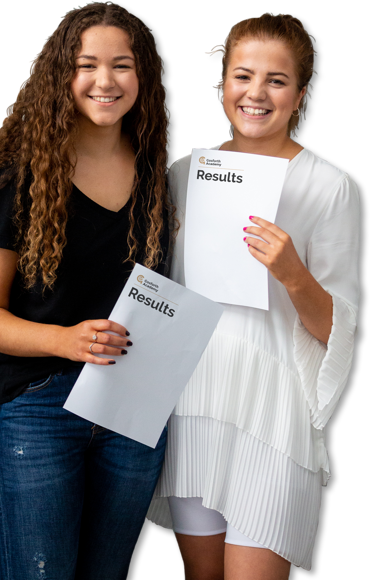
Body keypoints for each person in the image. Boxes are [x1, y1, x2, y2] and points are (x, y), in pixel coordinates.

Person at [0, 3, 173, 579]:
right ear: (61, 75)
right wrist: (66, 340)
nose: (105, 81)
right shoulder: (20, 179)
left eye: (122, 65)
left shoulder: (161, 178)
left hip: (134, 412)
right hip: (40, 410)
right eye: (87, 65)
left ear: (143, 77)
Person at [146, 12, 360, 580]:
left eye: (277, 80)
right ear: (222, 86)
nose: (256, 93)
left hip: (274, 412)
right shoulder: (183, 173)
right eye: (243, 76)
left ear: (299, 96)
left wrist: (292, 273)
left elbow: (338, 329)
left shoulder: (330, 186)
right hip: (195, 402)